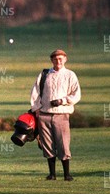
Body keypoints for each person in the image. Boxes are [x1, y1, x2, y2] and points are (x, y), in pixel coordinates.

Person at [30, 49, 81, 181]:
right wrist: (36, 109)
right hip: (44, 114)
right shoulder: (44, 74)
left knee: (63, 143)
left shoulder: (70, 75)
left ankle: (67, 174)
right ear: (51, 60)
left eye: (60, 59)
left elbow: (76, 94)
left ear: (65, 59)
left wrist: (62, 101)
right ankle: (52, 174)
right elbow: (35, 92)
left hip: (62, 114)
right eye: (55, 59)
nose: (58, 61)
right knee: (47, 144)